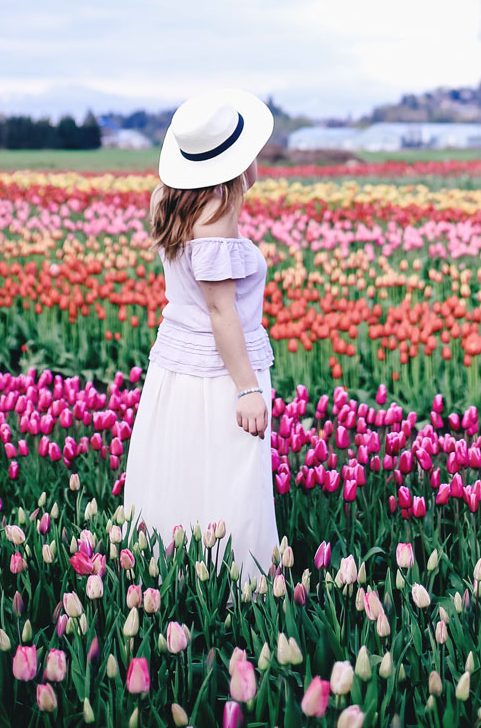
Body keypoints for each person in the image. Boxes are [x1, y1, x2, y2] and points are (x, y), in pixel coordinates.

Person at [122, 87, 279, 590]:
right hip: (218, 372)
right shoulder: (216, 217)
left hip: (176, 365)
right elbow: (221, 312)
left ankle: (169, 580)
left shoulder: (175, 200)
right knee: (228, 479)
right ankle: (237, 590)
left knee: (183, 469)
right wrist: (247, 388)